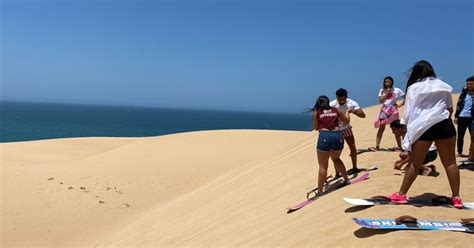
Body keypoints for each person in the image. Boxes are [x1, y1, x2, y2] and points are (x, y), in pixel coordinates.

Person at [389, 60, 463, 208]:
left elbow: (409, 112)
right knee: (450, 163)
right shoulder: (443, 85)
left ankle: (401, 194)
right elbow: (449, 108)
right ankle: (456, 197)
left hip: (424, 126)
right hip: (444, 123)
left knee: (415, 163)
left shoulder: (414, 87)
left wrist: (408, 128)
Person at [310, 95, 351, 196]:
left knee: (323, 166)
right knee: (336, 159)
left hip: (325, 136)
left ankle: (320, 191)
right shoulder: (336, 110)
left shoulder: (317, 113)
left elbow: (315, 128)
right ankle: (347, 180)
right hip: (337, 136)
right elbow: (347, 121)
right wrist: (348, 113)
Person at [330, 88, 366, 174]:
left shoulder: (351, 103)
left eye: (342, 99)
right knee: (334, 151)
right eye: (339, 99)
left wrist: (353, 111)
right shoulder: (332, 104)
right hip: (336, 130)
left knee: (352, 147)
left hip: (346, 128)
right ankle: (337, 173)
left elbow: (363, 115)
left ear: (346, 97)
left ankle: (354, 167)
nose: (341, 101)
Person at [375, 76, 405, 150]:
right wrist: (386, 93)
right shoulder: (382, 90)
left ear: (392, 82)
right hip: (384, 110)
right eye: (386, 82)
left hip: (393, 111)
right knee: (381, 127)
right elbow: (381, 101)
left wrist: (400, 105)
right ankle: (377, 146)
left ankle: (399, 146)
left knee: (396, 128)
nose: (387, 83)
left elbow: (406, 97)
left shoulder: (397, 90)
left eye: (389, 81)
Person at [454, 77, 474, 157]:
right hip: (462, 117)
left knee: (472, 137)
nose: (468, 85)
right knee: (460, 136)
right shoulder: (464, 93)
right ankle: (459, 152)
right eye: (468, 84)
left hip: (472, 118)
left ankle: (471, 153)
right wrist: (456, 116)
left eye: (471, 84)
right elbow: (458, 105)